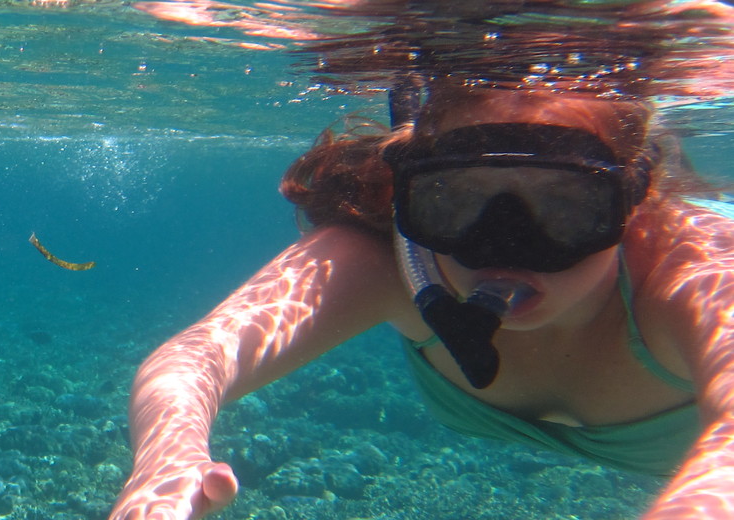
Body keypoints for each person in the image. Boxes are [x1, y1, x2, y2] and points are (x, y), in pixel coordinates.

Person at [109, 82, 734, 519]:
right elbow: (196, 357)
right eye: (459, 201)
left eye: (563, 205)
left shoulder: (692, 269)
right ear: (412, 200)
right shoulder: (394, 260)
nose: (503, 248)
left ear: (631, 200)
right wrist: (166, 464)